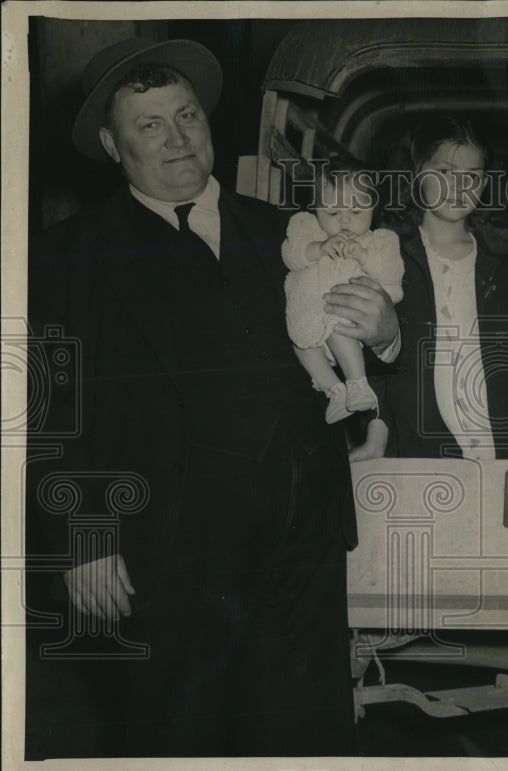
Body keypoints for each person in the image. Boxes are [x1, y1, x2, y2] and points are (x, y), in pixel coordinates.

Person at [26, 37, 398, 757]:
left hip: (299, 550)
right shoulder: (66, 256)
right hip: (166, 561)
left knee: (300, 739)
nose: (178, 137)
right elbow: (48, 412)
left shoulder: (292, 234)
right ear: (111, 143)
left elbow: (356, 345)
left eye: (187, 115)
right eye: (150, 124)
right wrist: (85, 536)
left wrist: (385, 336)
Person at [379, 114, 508, 459]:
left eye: (471, 176)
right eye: (444, 173)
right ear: (417, 173)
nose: (459, 187)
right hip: (419, 446)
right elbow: (376, 366)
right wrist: (376, 432)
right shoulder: (387, 255)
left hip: (501, 445)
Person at [282, 161, 403, 442]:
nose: (344, 221)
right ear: (315, 208)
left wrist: (363, 255)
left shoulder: (379, 241)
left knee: (338, 326)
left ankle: (357, 383)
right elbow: (290, 254)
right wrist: (318, 249)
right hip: (308, 310)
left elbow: (391, 271)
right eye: (332, 211)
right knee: (300, 342)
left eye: (356, 211)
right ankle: (334, 391)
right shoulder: (306, 229)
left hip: (344, 315)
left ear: (374, 208)